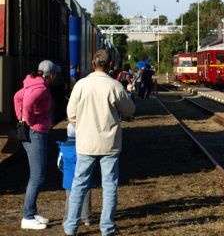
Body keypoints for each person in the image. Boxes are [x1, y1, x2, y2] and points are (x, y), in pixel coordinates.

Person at [64, 49, 135, 236]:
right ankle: (107, 228)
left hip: (86, 143)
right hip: (109, 144)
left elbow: (71, 114)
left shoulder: (81, 85)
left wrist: (83, 127)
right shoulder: (114, 86)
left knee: (79, 184)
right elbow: (129, 110)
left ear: (93, 63)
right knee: (109, 185)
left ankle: (71, 227)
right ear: (110, 65)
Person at [14, 60, 60, 230]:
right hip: (36, 132)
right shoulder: (41, 87)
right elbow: (26, 103)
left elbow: (17, 97)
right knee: (38, 176)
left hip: (32, 131)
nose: (56, 76)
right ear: (50, 75)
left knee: (36, 174)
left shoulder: (32, 83)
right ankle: (27, 217)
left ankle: (31, 212)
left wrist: (21, 118)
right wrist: (30, 120)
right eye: (55, 73)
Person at [57, 123, 92, 226]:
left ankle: (67, 218)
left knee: (70, 198)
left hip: (68, 178)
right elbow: (91, 162)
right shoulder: (85, 147)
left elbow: (59, 164)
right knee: (85, 196)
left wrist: (66, 172)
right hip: (84, 177)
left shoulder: (63, 148)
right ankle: (86, 218)